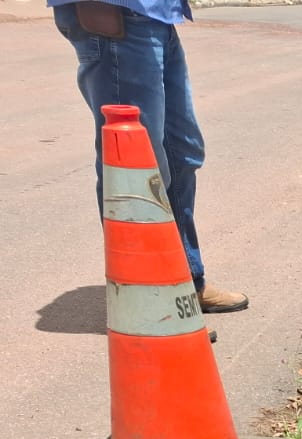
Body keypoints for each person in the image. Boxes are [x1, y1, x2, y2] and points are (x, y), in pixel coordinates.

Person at [51, 0, 247, 314]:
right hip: (115, 15)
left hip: (156, 15)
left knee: (182, 153)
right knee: (136, 165)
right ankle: (151, 304)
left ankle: (185, 283)